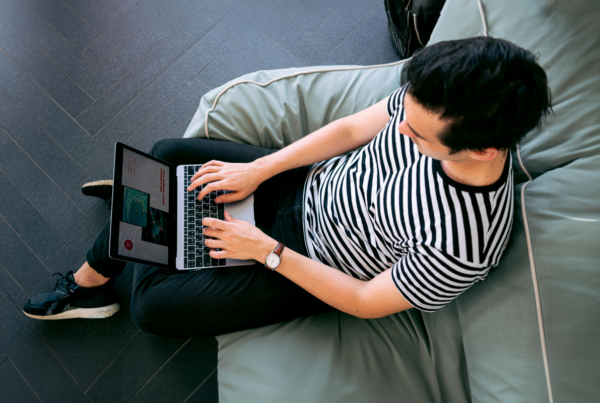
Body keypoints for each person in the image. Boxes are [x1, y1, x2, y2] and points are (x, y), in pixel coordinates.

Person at [23, 37, 551, 337]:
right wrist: (262, 169)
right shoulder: (434, 102)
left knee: (152, 310)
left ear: (483, 149)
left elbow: (367, 299)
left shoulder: (462, 245)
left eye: (415, 134)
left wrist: (268, 252)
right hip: (307, 185)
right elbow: (348, 131)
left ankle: (108, 260)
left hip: (309, 260)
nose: (401, 131)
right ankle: (139, 216)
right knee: (168, 152)